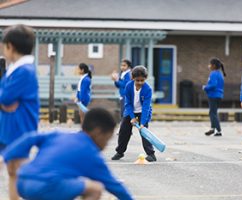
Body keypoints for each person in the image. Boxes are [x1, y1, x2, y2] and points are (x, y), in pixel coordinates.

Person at [0, 108, 133, 200]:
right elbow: (115, 187)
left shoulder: (59, 134)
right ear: (98, 133)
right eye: (107, 139)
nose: (106, 145)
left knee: (70, 182)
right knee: (95, 188)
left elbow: (30, 138)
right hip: (46, 186)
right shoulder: (91, 154)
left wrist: (4, 156)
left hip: (23, 181)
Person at [0, 24, 39, 200]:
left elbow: (6, 97)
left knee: (19, 169)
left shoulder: (24, 71)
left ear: (10, 46)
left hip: (20, 127)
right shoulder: (14, 69)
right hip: (10, 126)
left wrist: (5, 99)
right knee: (13, 169)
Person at [111, 65, 156, 162]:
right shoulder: (128, 86)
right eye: (137, 80)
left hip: (143, 113)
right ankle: (120, 152)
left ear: (145, 79)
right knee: (123, 131)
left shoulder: (148, 89)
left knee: (144, 133)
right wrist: (132, 117)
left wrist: (142, 123)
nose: (140, 83)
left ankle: (151, 154)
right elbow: (128, 104)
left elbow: (146, 107)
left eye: (142, 80)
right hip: (130, 111)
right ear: (133, 78)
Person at [203, 58, 226, 137]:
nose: (209, 66)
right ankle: (212, 129)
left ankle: (218, 130)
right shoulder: (219, 74)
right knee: (213, 112)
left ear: (213, 66)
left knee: (212, 113)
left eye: (210, 64)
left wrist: (205, 87)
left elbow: (213, 85)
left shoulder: (213, 73)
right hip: (219, 95)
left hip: (213, 95)